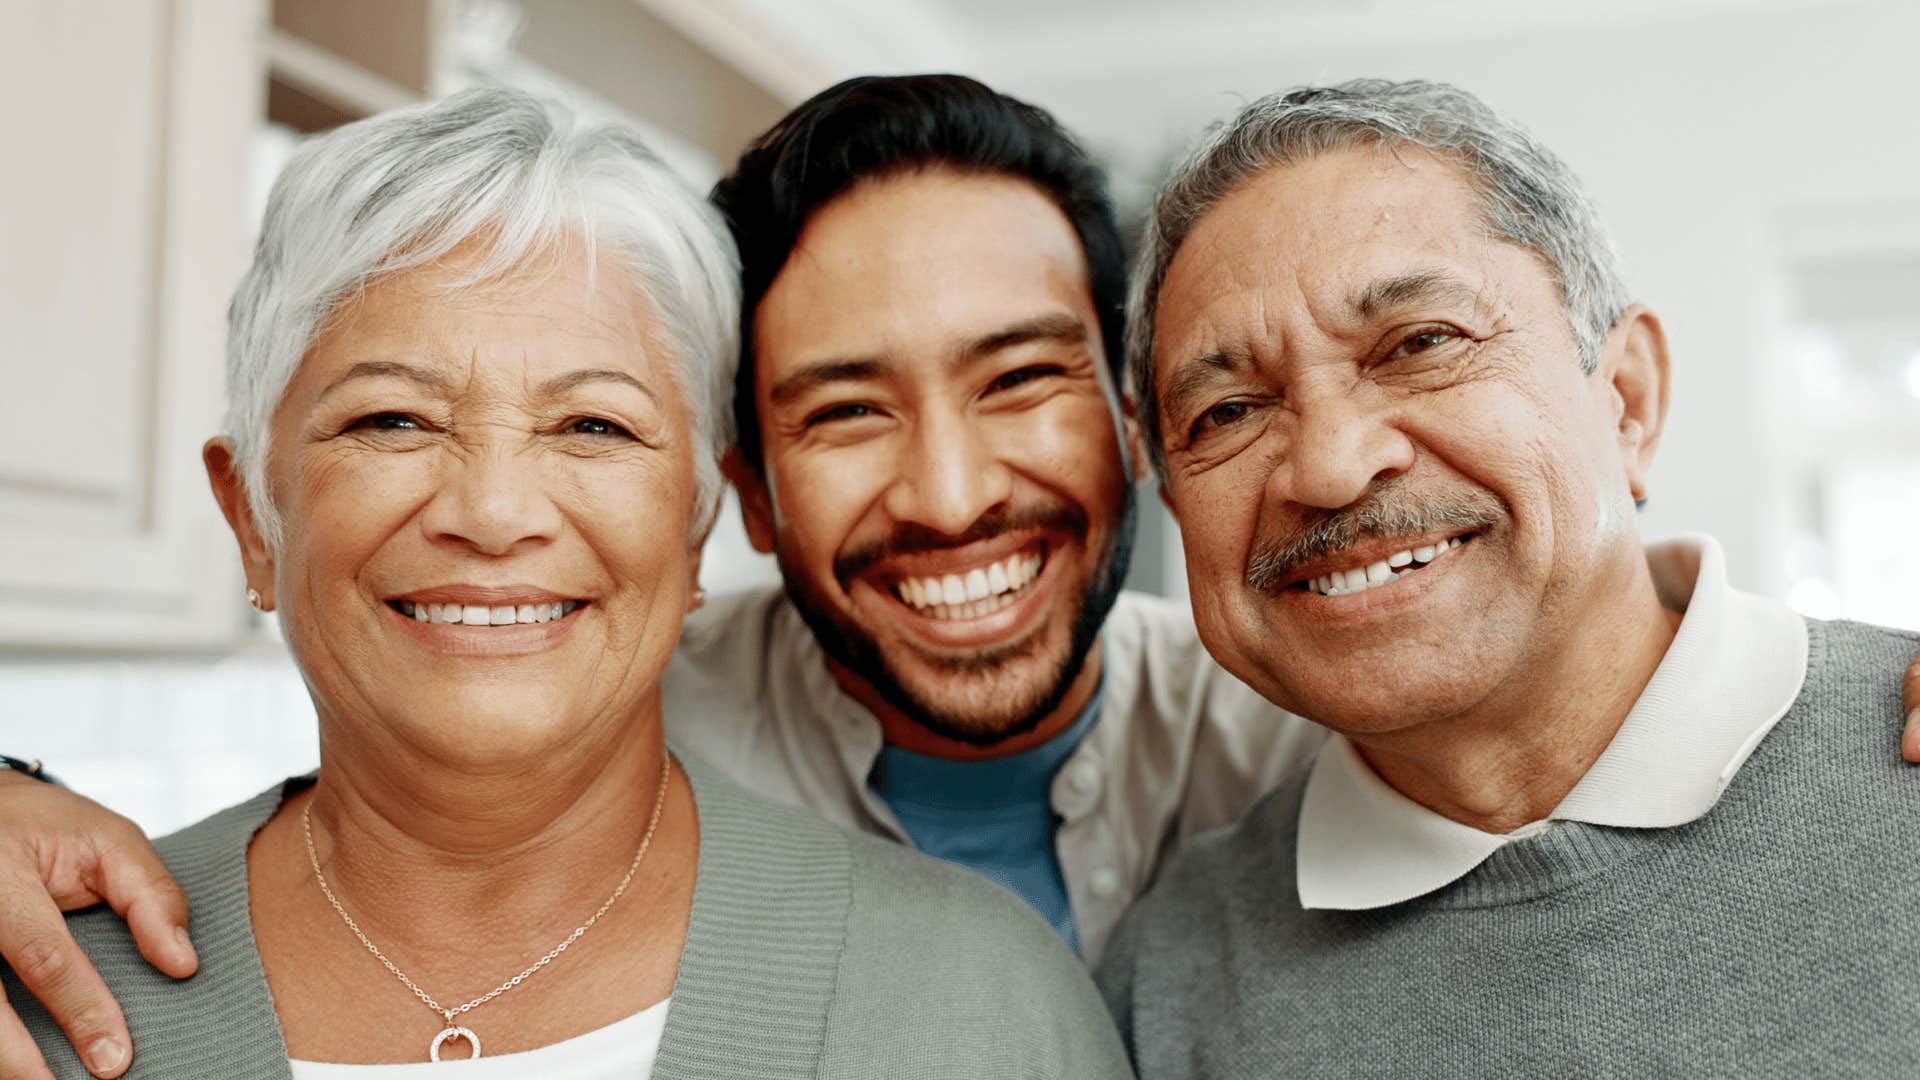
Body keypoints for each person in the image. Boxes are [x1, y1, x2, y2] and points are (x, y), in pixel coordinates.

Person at [4, 73, 1920, 1079]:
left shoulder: (1291, 724)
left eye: (1020, 382)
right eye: (843, 410)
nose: (949, 492)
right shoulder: (591, 707)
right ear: (735, 503)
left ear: (1119, 427)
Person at [0, 87, 1128, 1080]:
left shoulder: (985, 1004)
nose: (492, 514)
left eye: (593, 424)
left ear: (697, 525)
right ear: (251, 515)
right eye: (393, 419)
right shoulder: (33, 992)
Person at [1096, 78, 1920, 1078]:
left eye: (1419, 345)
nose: (1329, 466)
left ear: (1625, 400)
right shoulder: (1171, 976)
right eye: (1227, 412)